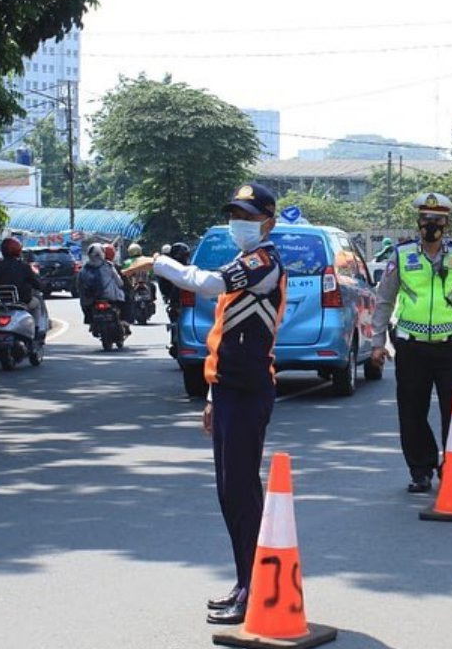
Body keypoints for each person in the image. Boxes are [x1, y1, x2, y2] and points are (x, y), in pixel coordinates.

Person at [145, 183, 286, 626]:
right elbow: (222, 335)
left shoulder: (264, 261)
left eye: (247, 216)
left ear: (268, 221)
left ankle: (256, 587)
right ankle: (246, 581)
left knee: (242, 493)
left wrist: (159, 263)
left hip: (248, 392)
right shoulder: (243, 261)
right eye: (235, 215)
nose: (239, 224)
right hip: (228, 390)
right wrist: (210, 394)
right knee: (230, 493)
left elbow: (206, 285)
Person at [370, 192, 452, 493]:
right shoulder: (402, 255)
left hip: (449, 347)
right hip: (411, 345)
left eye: (437, 220)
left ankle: (451, 465)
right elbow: (384, 300)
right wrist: (377, 341)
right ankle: (421, 468)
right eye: (425, 219)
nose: (430, 224)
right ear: (418, 222)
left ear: (446, 223)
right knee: (412, 411)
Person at [0, 237, 48, 335]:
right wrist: (43, 286)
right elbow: (36, 283)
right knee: (37, 303)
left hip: (4, 302)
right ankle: (37, 330)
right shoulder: (24, 267)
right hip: (23, 302)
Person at [77, 243, 127, 327]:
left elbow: (79, 285)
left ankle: (90, 322)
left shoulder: (84, 269)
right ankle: (123, 321)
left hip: (91, 300)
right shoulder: (108, 266)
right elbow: (119, 282)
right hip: (111, 298)